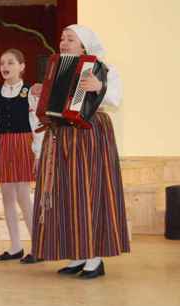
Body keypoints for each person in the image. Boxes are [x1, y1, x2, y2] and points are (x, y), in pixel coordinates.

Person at [30, 25, 130, 279]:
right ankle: (77, 256)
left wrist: (99, 87)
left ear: (84, 46)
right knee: (67, 195)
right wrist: (38, 94)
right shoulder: (56, 69)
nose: (63, 42)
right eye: (62, 38)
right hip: (62, 136)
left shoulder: (102, 69)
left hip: (90, 136)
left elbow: (115, 99)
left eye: (70, 39)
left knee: (89, 193)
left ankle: (94, 259)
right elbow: (48, 109)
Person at [0, 49, 43, 264]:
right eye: (2, 63)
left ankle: (38, 247)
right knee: (7, 197)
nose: (5, 66)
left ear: (22, 66)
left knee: (23, 197)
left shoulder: (29, 92)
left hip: (23, 145)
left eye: (10, 62)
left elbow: (37, 123)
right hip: (3, 145)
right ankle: (15, 246)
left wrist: (37, 152)